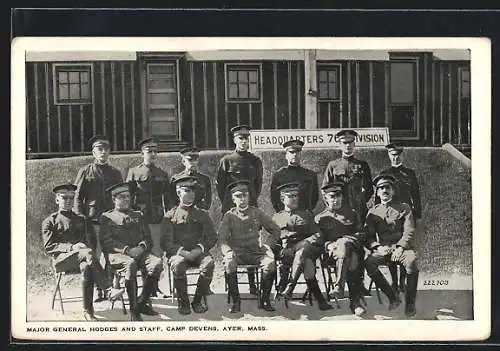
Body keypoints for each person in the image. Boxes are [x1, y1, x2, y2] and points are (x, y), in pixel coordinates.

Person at [42, 184, 124, 321]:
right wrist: (72, 248)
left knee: (87, 267)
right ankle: (108, 289)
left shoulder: (82, 219)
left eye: (71, 197)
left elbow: (91, 241)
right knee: (87, 253)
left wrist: (84, 250)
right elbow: (49, 246)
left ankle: (88, 311)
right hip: (62, 261)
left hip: (84, 258)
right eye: (64, 198)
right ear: (57, 200)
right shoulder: (50, 221)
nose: (68, 201)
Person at [99, 182, 164, 321]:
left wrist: (141, 247)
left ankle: (141, 302)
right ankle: (134, 309)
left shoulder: (138, 215)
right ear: (114, 199)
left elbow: (148, 238)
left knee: (157, 263)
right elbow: (106, 242)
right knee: (130, 264)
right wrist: (127, 250)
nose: (126, 199)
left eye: (128, 196)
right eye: (122, 197)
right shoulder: (107, 217)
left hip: (139, 252)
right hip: (118, 255)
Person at [322, 129, 373, 296]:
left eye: (351, 142)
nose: (348, 146)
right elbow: (325, 190)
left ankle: (360, 284)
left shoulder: (362, 165)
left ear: (354, 144)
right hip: (340, 212)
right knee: (343, 245)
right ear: (339, 144)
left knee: (359, 246)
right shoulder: (333, 165)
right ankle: (341, 282)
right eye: (345, 142)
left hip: (358, 211)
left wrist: (359, 201)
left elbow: (370, 190)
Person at [218, 180, 281, 313]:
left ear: (249, 197)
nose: (242, 199)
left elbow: (275, 230)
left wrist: (268, 246)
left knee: (269, 263)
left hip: (254, 253)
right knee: (229, 263)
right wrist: (228, 251)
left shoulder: (257, 213)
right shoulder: (229, 216)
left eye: (245, 195)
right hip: (237, 254)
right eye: (238, 196)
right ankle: (236, 302)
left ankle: (264, 300)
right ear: (233, 198)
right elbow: (222, 239)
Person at [73, 135, 123, 302]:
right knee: (94, 255)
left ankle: (109, 285)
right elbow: (78, 197)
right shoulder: (85, 171)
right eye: (99, 150)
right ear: (93, 152)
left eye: (106, 150)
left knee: (112, 254)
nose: (103, 153)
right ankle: (99, 289)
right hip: (92, 220)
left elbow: (121, 195)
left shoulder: (115, 173)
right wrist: (80, 217)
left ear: (109, 152)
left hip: (111, 221)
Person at [215, 124, 264, 295]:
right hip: (231, 210)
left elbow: (257, 186)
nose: (244, 141)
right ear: (235, 140)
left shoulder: (255, 161)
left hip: (250, 210)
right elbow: (221, 187)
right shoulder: (226, 161)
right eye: (240, 138)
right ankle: (231, 286)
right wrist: (230, 204)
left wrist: (249, 203)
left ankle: (252, 285)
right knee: (228, 244)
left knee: (251, 243)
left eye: (246, 138)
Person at [364, 174, 420, 317]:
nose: (384, 191)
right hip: (385, 249)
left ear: (393, 191)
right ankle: (393, 297)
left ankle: (410, 304)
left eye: (387, 187)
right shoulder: (373, 212)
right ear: (377, 192)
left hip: (403, 248)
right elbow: (368, 236)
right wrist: (377, 247)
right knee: (369, 262)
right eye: (381, 188)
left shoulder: (404, 208)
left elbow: (409, 231)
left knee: (411, 261)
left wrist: (400, 247)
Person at [161, 175, 217, 315]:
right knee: (178, 264)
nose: (191, 194)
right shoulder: (170, 216)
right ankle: (183, 302)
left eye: (193, 191)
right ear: (178, 193)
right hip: (179, 254)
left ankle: (197, 300)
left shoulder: (202, 214)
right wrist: (183, 252)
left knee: (209, 263)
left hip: (199, 253)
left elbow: (212, 237)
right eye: (187, 191)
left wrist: (199, 249)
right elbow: (166, 242)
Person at [272, 182, 332, 311]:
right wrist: (280, 250)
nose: (295, 198)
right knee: (307, 262)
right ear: (283, 199)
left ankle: (289, 286)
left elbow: (318, 234)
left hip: (306, 248)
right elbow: (272, 240)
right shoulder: (276, 218)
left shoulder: (306, 215)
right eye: (291, 196)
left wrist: (307, 241)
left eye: (296, 196)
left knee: (304, 252)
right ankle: (320, 300)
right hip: (287, 253)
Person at [314, 180, 367, 317]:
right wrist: (328, 245)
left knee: (347, 249)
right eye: (332, 196)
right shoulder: (320, 218)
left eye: (338, 196)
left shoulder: (352, 214)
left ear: (342, 197)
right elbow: (318, 240)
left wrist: (346, 240)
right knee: (350, 257)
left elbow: (361, 234)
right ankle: (354, 302)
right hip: (331, 256)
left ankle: (339, 287)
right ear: (325, 198)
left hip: (353, 251)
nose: (335, 200)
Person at [126, 137, 170, 298]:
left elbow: (169, 198)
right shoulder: (134, 172)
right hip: (139, 220)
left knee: (157, 253)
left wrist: (169, 217)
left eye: (154, 151)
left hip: (157, 217)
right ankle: (142, 289)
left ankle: (154, 287)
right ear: (142, 153)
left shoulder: (162, 173)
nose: (152, 154)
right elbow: (127, 197)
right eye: (148, 151)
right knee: (142, 251)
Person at [378, 142, 422, 294]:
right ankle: (394, 282)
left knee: (405, 247)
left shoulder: (409, 174)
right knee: (390, 245)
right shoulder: (385, 172)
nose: (395, 158)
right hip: (390, 217)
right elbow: (380, 197)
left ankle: (403, 281)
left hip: (405, 215)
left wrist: (417, 217)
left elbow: (416, 196)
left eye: (398, 155)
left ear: (402, 155)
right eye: (392, 155)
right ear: (388, 156)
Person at [270, 139, 319, 213]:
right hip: (285, 215)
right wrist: (282, 212)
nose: (295, 155)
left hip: (304, 215)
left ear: (300, 154)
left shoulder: (310, 175)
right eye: (291, 152)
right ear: (286, 155)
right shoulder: (279, 175)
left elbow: (314, 197)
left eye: (297, 152)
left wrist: (307, 211)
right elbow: (274, 198)